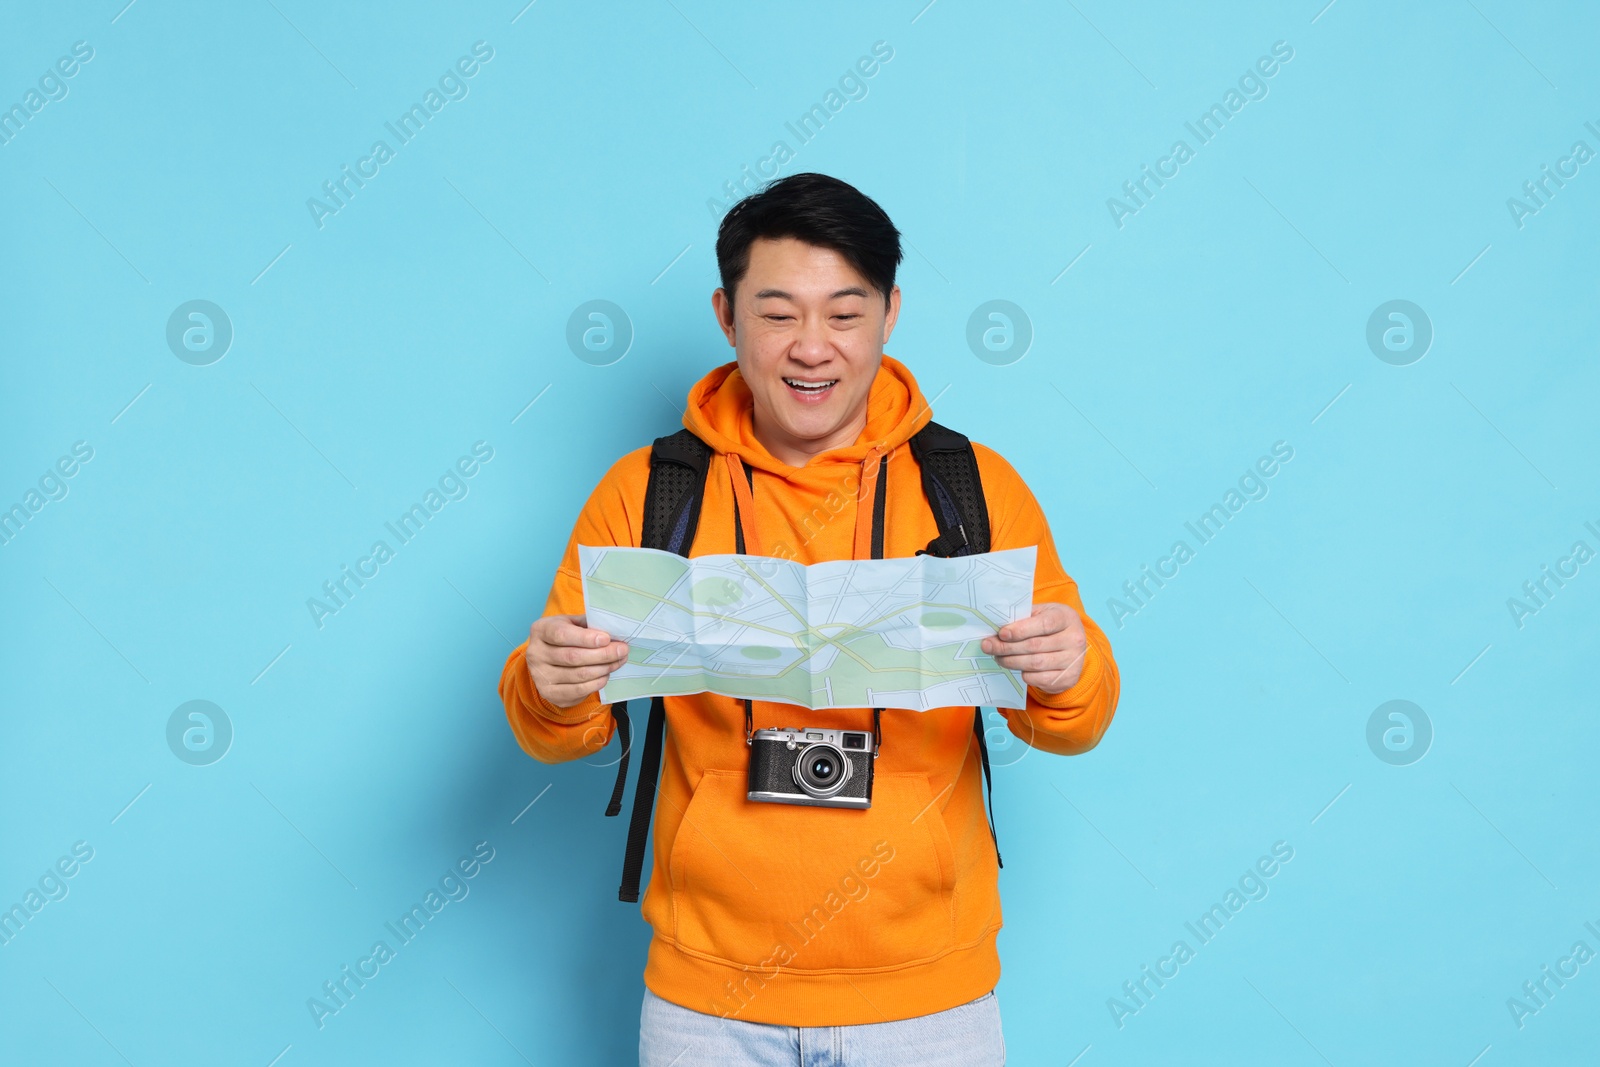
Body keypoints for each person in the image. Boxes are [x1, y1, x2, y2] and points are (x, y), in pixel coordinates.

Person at [498, 172, 1120, 1066]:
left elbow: (1078, 721)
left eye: (845, 311)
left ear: (891, 314)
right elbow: (553, 728)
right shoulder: (647, 493)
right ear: (727, 314)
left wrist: (1069, 668)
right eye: (779, 312)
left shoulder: (975, 490)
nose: (813, 347)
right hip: (705, 1001)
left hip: (929, 998)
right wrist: (550, 685)